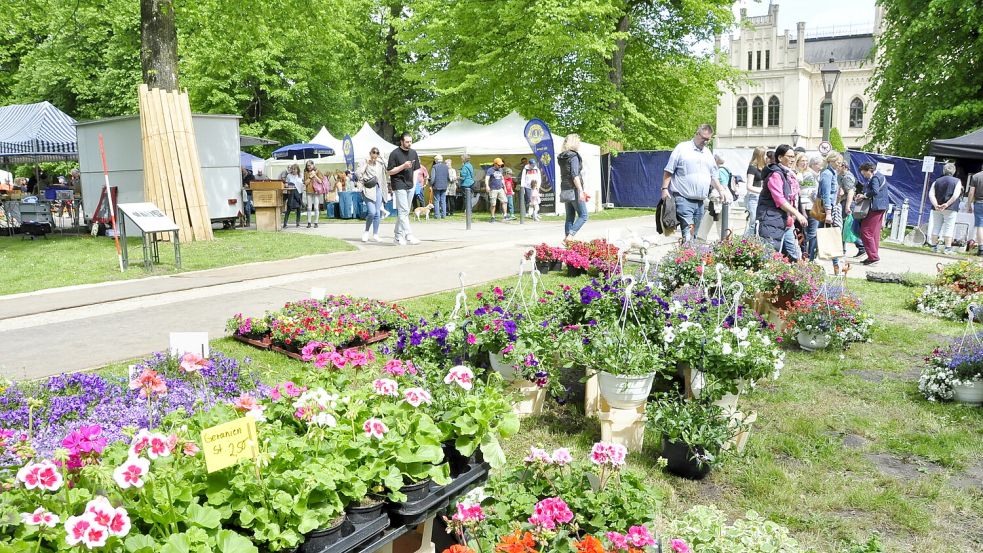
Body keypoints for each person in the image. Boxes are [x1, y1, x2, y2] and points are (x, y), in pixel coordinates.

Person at [662, 124, 731, 243]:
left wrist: (721, 190)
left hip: (700, 202)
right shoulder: (682, 148)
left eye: (708, 140)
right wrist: (664, 189)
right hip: (683, 198)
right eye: (703, 138)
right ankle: (687, 255)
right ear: (697, 133)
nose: (705, 142)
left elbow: (713, 176)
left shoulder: (708, 153)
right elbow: (669, 170)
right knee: (688, 232)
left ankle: (687, 257)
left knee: (694, 234)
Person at [756, 144, 806, 261]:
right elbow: (780, 200)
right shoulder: (775, 174)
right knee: (769, 255)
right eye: (789, 156)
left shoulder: (789, 174)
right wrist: (798, 214)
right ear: (779, 158)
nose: (792, 159)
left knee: (795, 255)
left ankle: (798, 277)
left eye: (793, 156)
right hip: (771, 219)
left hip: (787, 221)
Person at [387, 132, 422, 245]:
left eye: (410, 141)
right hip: (398, 184)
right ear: (401, 141)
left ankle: (397, 235)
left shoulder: (413, 153)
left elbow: (416, 169)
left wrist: (414, 183)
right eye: (407, 142)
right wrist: (403, 166)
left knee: (404, 212)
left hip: (410, 184)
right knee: (403, 210)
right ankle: (408, 235)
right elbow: (389, 171)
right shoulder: (394, 154)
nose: (409, 144)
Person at [856, 162, 889, 265]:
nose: (864, 176)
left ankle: (873, 256)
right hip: (881, 207)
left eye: (864, 173)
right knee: (874, 233)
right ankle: (872, 256)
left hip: (875, 207)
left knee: (865, 231)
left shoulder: (875, 178)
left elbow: (875, 191)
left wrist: (864, 195)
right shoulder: (880, 176)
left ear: (869, 170)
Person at [927, 162, 963, 255]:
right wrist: (946, 204)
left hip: (937, 208)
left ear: (944, 170)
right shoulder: (957, 181)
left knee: (936, 226)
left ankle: (934, 247)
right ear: (954, 171)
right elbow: (956, 195)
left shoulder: (937, 181)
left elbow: (931, 194)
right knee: (949, 227)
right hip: (950, 208)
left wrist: (936, 205)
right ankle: (947, 249)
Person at [559, 133, 589, 241]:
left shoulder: (562, 156)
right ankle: (570, 236)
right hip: (574, 188)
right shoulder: (574, 156)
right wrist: (581, 191)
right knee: (584, 215)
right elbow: (575, 175)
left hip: (565, 188)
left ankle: (567, 241)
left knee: (570, 216)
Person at [358, 147, 390, 242]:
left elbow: (389, 167)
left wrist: (381, 157)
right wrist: (367, 164)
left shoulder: (380, 163)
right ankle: (366, 231)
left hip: (378, 188)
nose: (375, 154)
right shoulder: (364, 161)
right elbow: (358, 174)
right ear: (370, 153)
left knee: (377, 213)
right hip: (368, 189)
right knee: (371, 212)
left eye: (377, 153)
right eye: (373, 152)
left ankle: (375, 234)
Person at [802, 156, 825, 260]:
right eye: (820, 165)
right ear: (814, 165)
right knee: (812, 233)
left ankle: (809, 255)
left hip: (812, 205)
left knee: (812, 233)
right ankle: (809, 257)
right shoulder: (809, 175)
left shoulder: (814, 175)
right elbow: (809, 192)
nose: (821, 167)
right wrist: (821, 201)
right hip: (810, 206)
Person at [744, 147, 766, 237]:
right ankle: (745, 242)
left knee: (759, 223)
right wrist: (762, 190)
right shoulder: (752, 168)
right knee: (752, 222)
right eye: (765, 155)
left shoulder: (763, 168)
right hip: (753, 197)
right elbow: (749, 186)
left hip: (761, 197)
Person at [302, 161, 326, 228]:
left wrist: (314, 175)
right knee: (309, 208)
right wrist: (310, 177)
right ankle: (309, 222)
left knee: (316, 207)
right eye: (307, 165)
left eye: (310, 165)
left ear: (313, 165)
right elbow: (305, 183)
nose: (309, 167)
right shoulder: (305, 172)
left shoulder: (318, 171)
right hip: (309, 191)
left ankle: (316, 222)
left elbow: (321, 181)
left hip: (316, 191)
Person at [485, 157, 507, 222]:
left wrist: (504, 187)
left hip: (500, 188)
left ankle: (505, 215)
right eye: (499, 165)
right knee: (493, 204)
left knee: (504, 201)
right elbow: (487, 178)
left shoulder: (501, 170)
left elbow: (502, 179)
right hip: (493, 189)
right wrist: (487, 186)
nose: (500, 166)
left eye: (501, 165)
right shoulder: (490, 170)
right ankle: (492, 217)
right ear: (495, 164)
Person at [282, 164, 303, 228]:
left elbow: (302, 183)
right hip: (291, 193)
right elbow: (286, 184)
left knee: (298, 208)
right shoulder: (289, 176)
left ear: (297, 169)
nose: (293, 170)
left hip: (299, 192)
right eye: (292, 169)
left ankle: (298, 223)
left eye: (295, 169)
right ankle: (285, 223)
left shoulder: (300, 175)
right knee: (289, 207)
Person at [967, 170, 983, 256]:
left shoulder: (976, 176)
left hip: (979, 203)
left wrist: (969, 205)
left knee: (980, 226)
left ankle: (981, 249)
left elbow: (971, 192)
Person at [429, 154, 450, 219]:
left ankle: (437, 215)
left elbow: (433, 178)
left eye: (435, 160)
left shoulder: (434, 167)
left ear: (436, 160)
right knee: (443, 200)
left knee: (437, 200)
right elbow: (448, 177)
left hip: (436, 186)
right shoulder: (446, 167)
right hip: (444, 185)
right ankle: (444, 215)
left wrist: (430, 184)